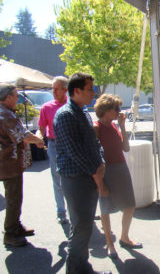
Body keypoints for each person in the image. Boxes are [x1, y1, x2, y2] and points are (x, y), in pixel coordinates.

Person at [53, 73, 110, 274]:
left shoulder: (81, 112)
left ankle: (82, 268)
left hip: (88, 176)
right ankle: (75, 269)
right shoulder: (65, 115)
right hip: (76, 179)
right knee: (80, 228)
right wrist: (96, 172)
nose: (94, 93)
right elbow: (74, 150)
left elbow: (93, 144)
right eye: (90, 89)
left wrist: (101, 163)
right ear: (76, 91)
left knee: (84, 227)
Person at [93, 94, 141, 259]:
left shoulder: (114, 126)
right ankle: (110, 243)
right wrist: (100, 182)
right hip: (105, 170)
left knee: (130, 204)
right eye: (116, 109)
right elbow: (92, 156)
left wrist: (122, 126)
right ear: (106, 110)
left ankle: (124, 237)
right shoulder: (96, 128)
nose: (119, 112)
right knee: (105, 208)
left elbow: (126, 148)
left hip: (120, 168)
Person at [0, 83, 44, 247]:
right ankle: (10, 233)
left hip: (9, 163)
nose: (18, 99)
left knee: (14, 197)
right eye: (16, 95)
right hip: (8, 164)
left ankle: (15, 226)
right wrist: (39, 139)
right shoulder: (5, 115)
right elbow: (23, 135)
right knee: (14, 198)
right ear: (8, 97)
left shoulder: (5, 113)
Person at [37, 76, 69, 225]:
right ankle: (61, 211)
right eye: (53, 89)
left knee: (75, 178)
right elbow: (41, 129)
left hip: (70, 145)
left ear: (65, 90)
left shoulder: (73, 105)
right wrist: (38, 138)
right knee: (57, 180)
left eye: (57, 89)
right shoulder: (47, 107)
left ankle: (78, 209)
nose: (54, 92)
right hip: (54, 145)